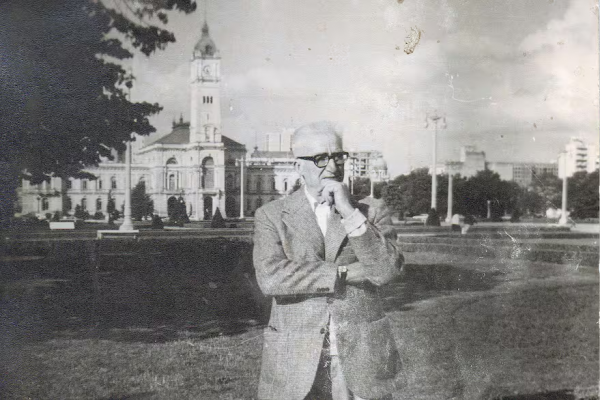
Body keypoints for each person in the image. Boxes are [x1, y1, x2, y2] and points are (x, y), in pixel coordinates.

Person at [253, 121, 404, 400]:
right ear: (298, 167)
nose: (333, 167)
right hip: (294, 358)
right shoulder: (271, 215)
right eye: (321, 158)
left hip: (362, 356)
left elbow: (386, 270)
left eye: (338, 156)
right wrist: (344, 273)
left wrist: (348, 210)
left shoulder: (370, 211)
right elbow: (272, 277)